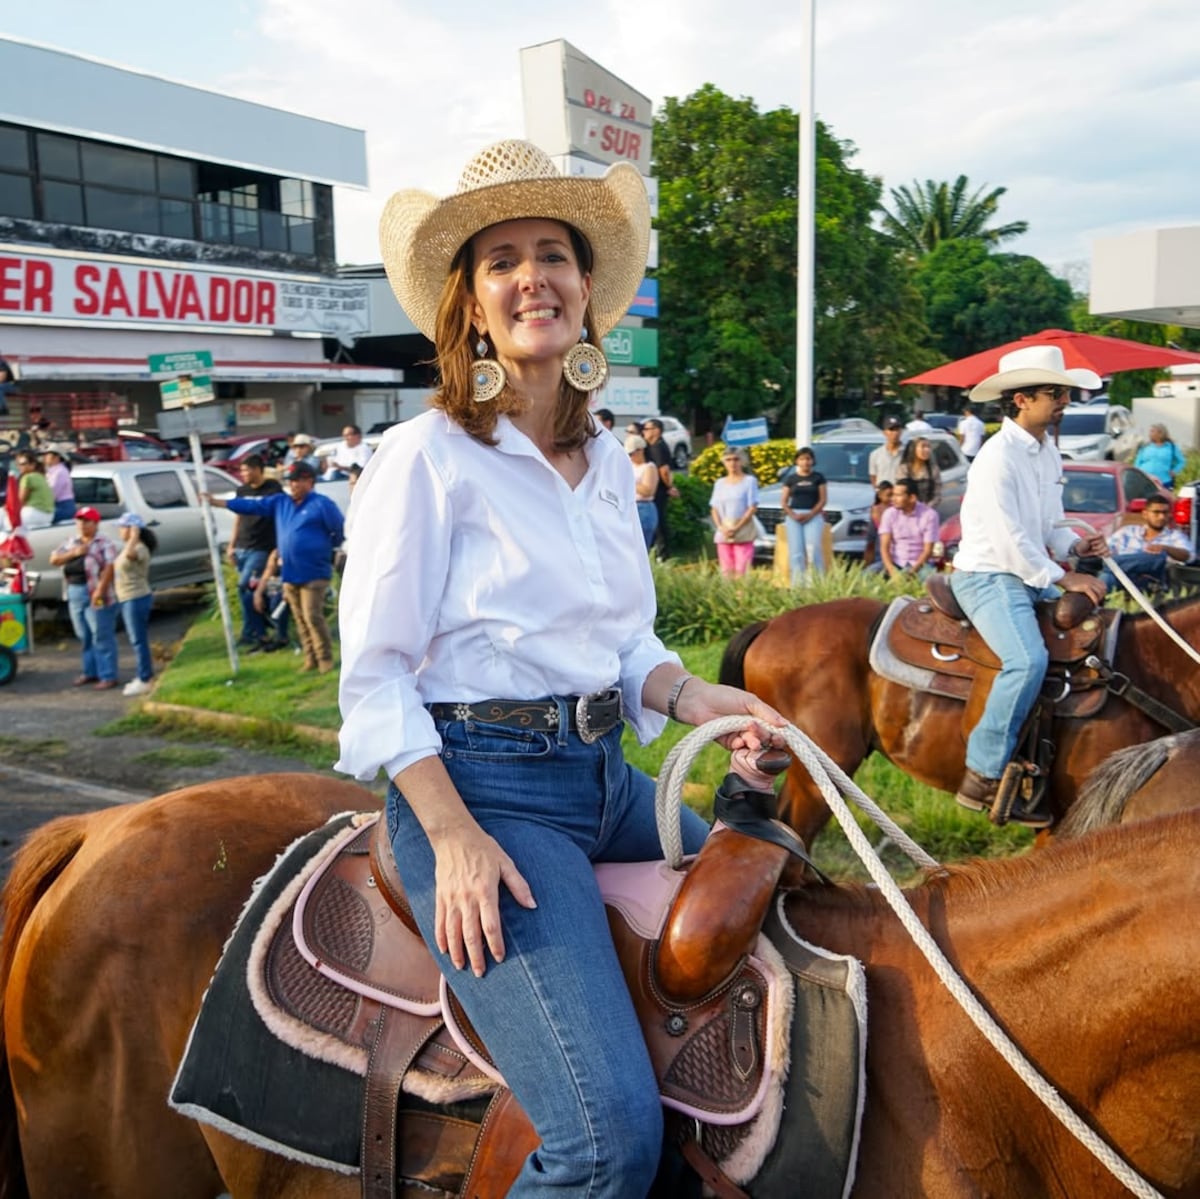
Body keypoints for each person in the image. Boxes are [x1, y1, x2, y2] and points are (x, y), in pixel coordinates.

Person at [334, 138, 785, 1197]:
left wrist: (694, 696)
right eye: (501, 260)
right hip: (483, 790)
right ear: (473, 306)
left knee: (794, 881)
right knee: (605, 1142)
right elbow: (375, 674)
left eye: (554, 253)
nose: (532, 275)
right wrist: (452, 835)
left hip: (604, 778)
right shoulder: (429, 455)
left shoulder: (606, 461)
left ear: (587, 293)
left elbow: (625, 641)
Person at [948, 345, 1109, 825]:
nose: (1064, 401)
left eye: (1065, 393)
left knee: (1100, 635)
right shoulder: (997, 457)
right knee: (1027, 660)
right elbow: (1009, 539)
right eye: (1054, 394)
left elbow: (1049, 527)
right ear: (1020, 399)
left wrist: (1077, 546)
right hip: (989, 575)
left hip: (1027, 571)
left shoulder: (1046, 453)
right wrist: (1065, 575)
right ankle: (982, 772)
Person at [205, 459, 344, 674]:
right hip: (290, 572)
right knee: (299, 618)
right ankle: (310, 659)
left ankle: (325, 658)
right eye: (291, 481)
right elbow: (252, 505)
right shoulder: (282, 502)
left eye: (298, 480)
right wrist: (218, 502)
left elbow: (338, 530)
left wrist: (326, 550)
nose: (294, 485)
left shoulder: (322, 504)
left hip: (314, 571)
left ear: (310, 481)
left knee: (312, 616)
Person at [49, 506, 121, 690]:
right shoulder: (72, 542)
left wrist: (100, 590)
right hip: (74, 590)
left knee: (101, 634)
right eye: (80, 521)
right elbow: (54, 559)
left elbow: (109, 568)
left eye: (87, 521)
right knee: (84, 634)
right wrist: (73, 553)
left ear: (96, 524)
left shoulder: (104, 543)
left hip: (95, 592)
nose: (82, 525)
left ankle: (108, 675)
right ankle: (90, 671)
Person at [225, 453, 283, 649]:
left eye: (246, 469)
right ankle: (256, 630)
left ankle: (256, 631)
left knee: (246, 586)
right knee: (248, 593)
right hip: (242, 547)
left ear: (258, 469)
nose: (243, 474)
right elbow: (238, 517)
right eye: (241, 470)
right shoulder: (241, 490)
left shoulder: (272, 488)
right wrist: (232, 545)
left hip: (261, 548)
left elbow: (278, 515)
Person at [1100, 495, 1194, 593]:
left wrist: (1166, 548)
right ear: (1145, 514)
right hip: (1122, 578)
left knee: (1159, 556)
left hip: (1151, 581)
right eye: (1156, 512)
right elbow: (1106, 549)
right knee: (1108, 575)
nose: (1161, 517)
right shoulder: (1127, 532)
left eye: (1165, 513)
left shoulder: (1175, 536)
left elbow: (1190, 556)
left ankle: (1111, 566)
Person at [113, 512, 157, 697]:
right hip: (127, 598)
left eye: (123, 527)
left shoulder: (138, 548)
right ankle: (144, 675)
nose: (120, 530)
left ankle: (145, 678)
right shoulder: (130, 546)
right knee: (136, 639)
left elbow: (131, 556)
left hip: (135, 597)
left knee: (138, 640)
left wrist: (134, 536)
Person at [709, 446, 759, 577]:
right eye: (729, 460)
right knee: (726, 569)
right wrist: (720, 527)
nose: (732, 463)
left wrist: (737, 527)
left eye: (736, 459)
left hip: (742, 527)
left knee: (742, 568)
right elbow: (714, 507)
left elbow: (752, 507)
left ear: (742, 461)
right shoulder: (719, 483)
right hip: (724, 528)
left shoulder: (749, 481)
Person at [781, 445, 827, 582]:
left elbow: (823, 500)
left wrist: (811, 515)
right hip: (794, 516)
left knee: (813, 548)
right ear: (797, 461)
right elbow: (784, 502)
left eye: (808, 459)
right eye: (802, 459)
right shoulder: (791, 479)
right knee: (796, 551)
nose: (805, 462)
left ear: (812, 461)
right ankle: (798, 584)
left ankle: (818, 582)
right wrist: (793, 515)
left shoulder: (818, 478)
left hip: (813, 515)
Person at [877, 478, 939, 579]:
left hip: (920, 565)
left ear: (912, 498)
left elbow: (928, 550)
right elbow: (884, 547)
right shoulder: (889, 514)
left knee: (931, 581)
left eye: (898, 495)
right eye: (893, 494)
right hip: (895, 562)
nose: (893, 499)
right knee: (866, 575)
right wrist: (892, 571)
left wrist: (911, 572)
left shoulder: (930, 515)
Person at [643, 417, 678, 558]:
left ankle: (662, 554)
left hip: (659, 490)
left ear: (657, 431)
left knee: (659, 523)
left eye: (647, 429)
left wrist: (670, 486)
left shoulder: (658, 446)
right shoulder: (651, 445)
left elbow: (663, 470)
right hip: (654, 488)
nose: (644, 432)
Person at [625, 434, 659, 549]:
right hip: (628, 507)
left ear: (641, 450)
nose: (630, 457)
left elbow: (648, 491)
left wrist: (629, 481)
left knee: (641, 548)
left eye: (632, 453)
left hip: (643, 508)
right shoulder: (629, 466)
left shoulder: (649, 467)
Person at [1134, 423, 1186, 490]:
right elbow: (1137, 462)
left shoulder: (1171, 447)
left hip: (1164, 481)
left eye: (1152, 431)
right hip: (1145, 480)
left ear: (1160, 433)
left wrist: (1175, 471)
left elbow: (1181, 461)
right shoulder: (1146, 446)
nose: (1149, 434)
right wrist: (1137, 474)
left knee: (1162, 500)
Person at [896, 436, 942, 509]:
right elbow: (900, 492)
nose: (927, 450)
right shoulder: (904, 469)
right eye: (923, 446)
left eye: (928, 447)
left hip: (927, 511)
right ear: (914, 449)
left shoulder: (933, 470)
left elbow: (937, 495)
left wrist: (925, 508)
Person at [12, 451, 54, 529]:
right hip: (49, 516)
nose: (20, 466)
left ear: (32, 465)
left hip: (33, 514)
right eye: (18, 464)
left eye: (23, 464)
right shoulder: (41, 476)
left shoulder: (27, 477)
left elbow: (19, 501)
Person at [862, 479, 893, 568]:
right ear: (880, 495)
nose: (891, 498)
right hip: (880, 539)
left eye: (893, 495)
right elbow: (879, 526)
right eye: (888, 495)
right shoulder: (876, 509)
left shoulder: (894, 508)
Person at [40, 445, 76, 523]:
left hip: (63, 507)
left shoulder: (60, 472)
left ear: (56, 457)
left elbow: (52, 493)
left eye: (47, 455)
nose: (45, 457)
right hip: (58, 505)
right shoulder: (52, 471)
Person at [869, 417, 904, 486]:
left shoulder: (909, 453)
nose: (895, 433)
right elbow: (873, 476)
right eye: (891, 430)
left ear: (901, 431)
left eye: (897, 429)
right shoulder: (875, 454)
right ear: (884, 432)